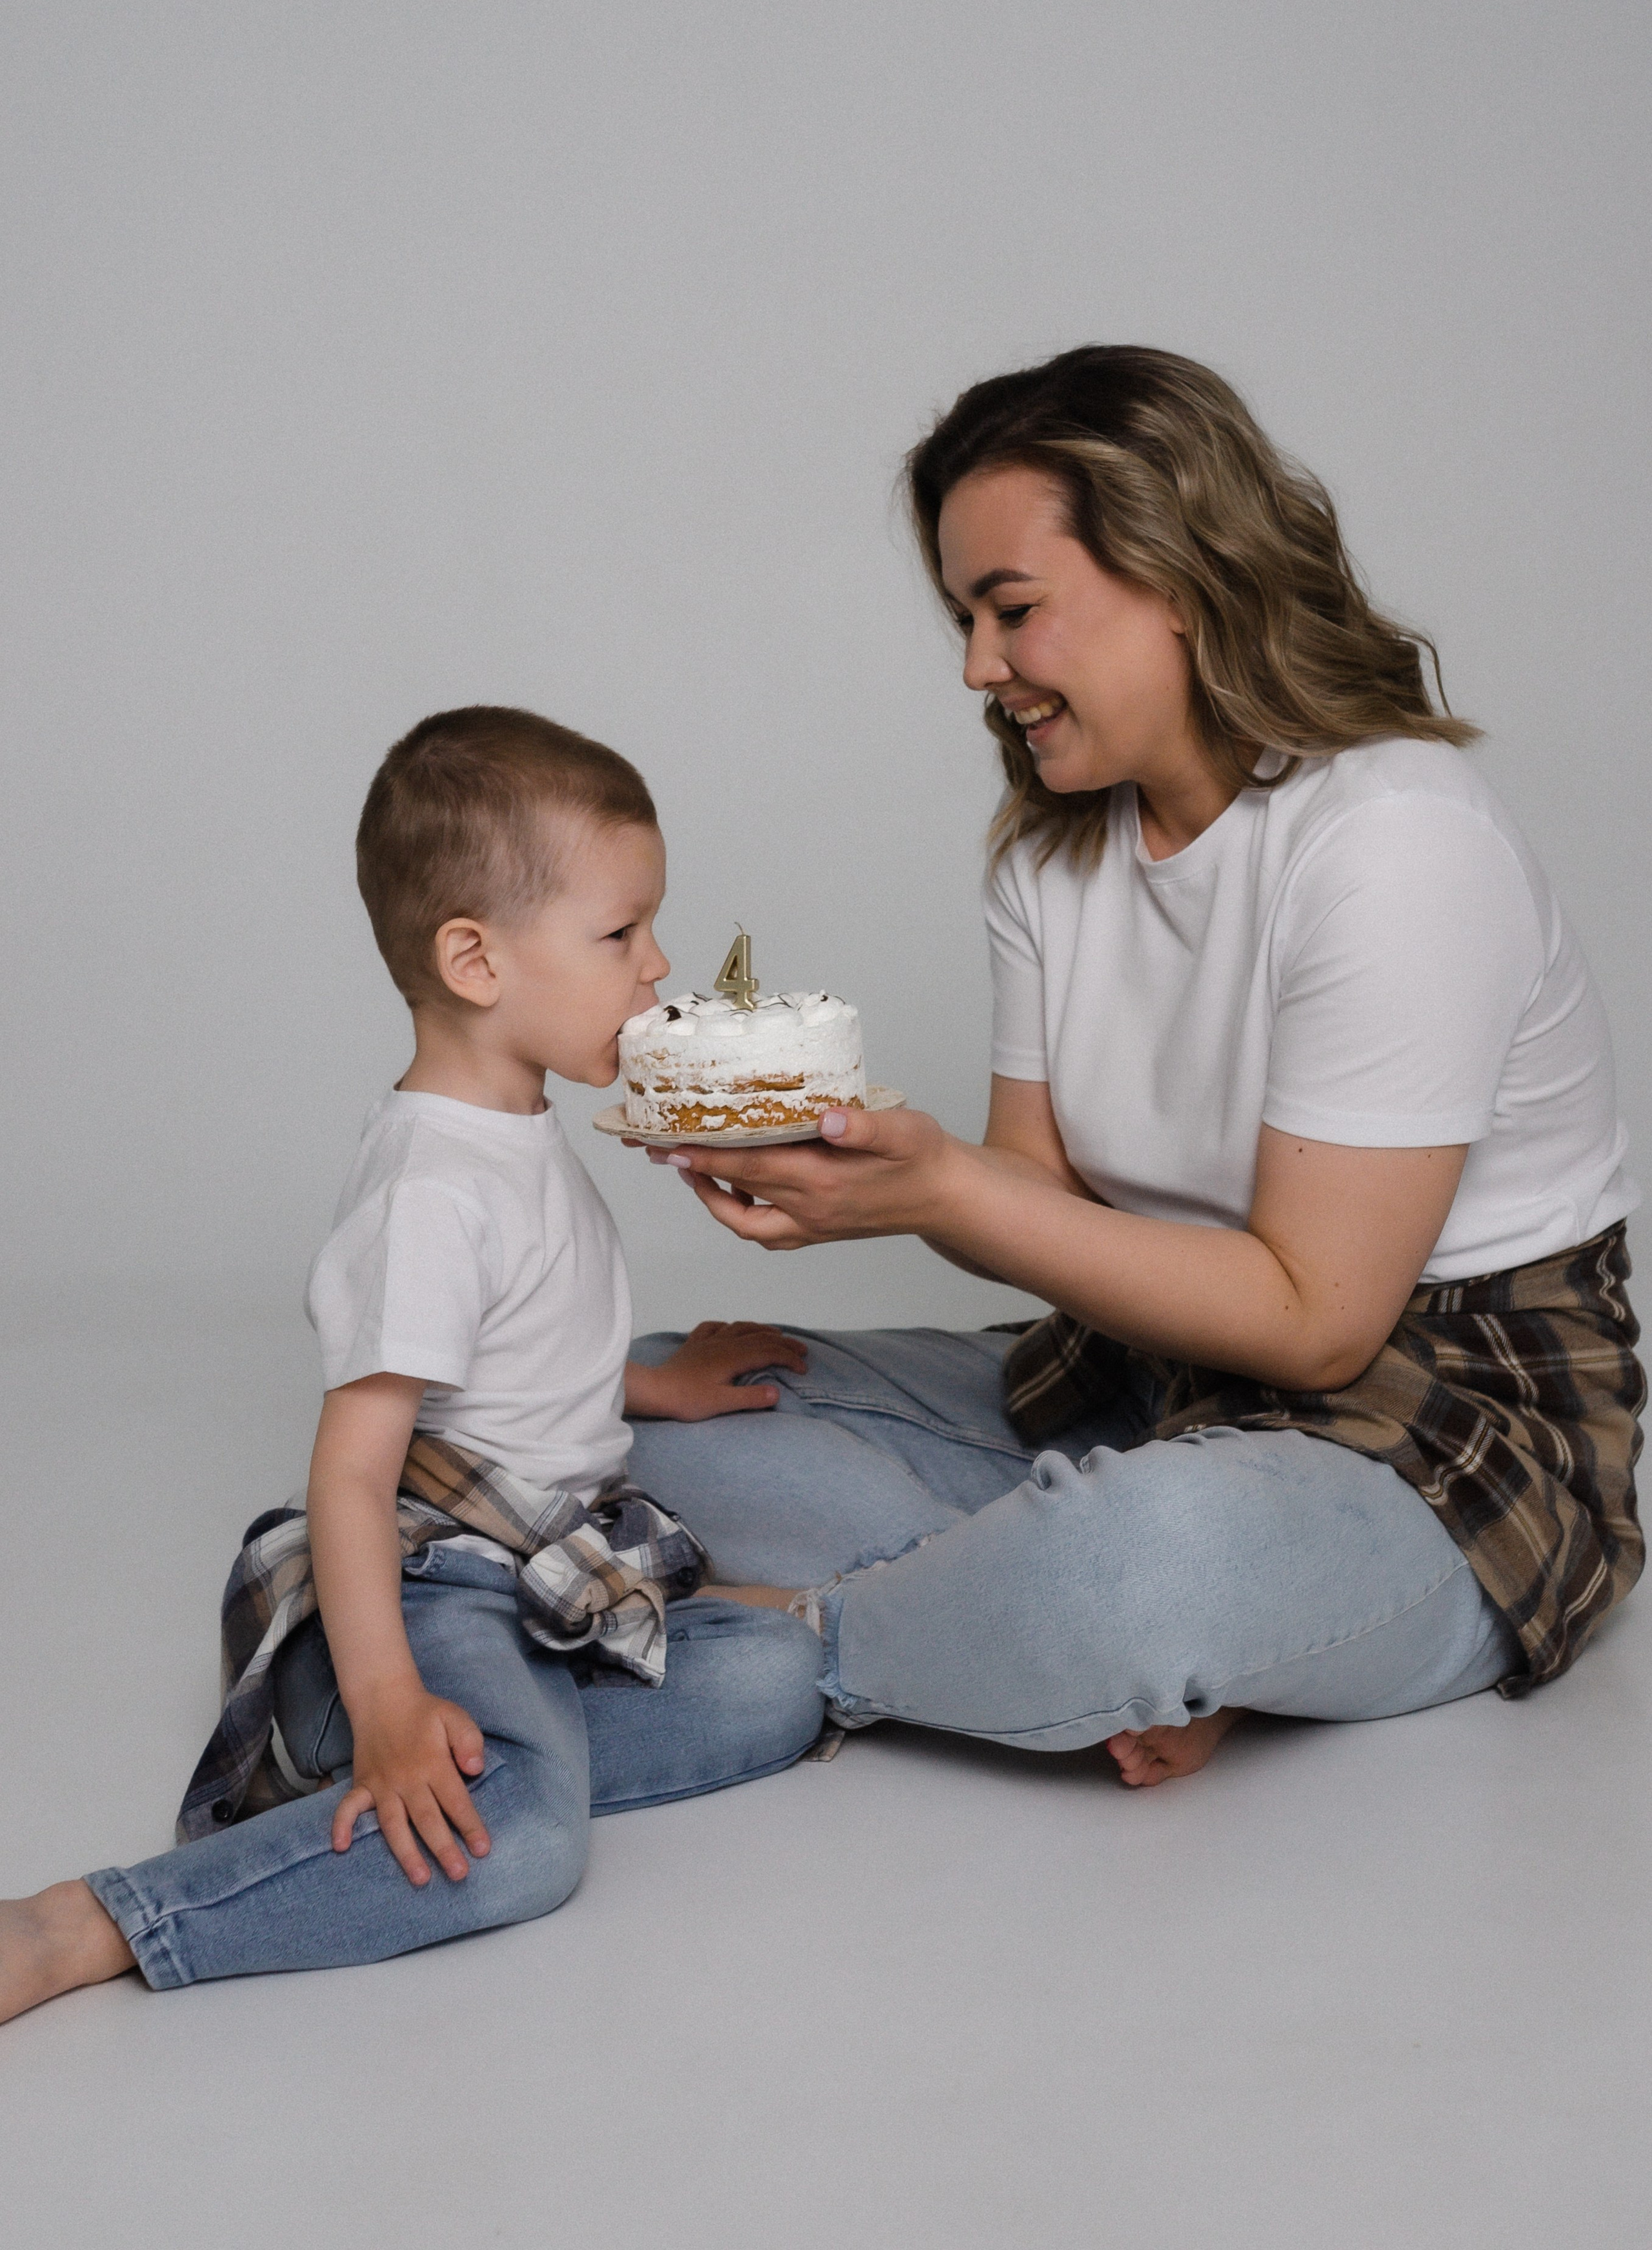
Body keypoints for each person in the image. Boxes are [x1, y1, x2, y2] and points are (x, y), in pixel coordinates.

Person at [624, 345, 1645, 1789]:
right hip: (1149, 1378)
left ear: (1178, 572)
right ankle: (1068, 1633)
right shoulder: (1056, 846)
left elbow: (1315, 1329)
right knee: (663, 1399)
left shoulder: (1395, 839)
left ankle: (800, 1637)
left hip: (1439, 1424)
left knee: (1137, 1562)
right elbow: (1031, 1197)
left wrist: (943, 1195)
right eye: (963, 619)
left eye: (1010, 610)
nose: (978, 667)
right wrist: (877, 1176)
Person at [0, 705, 822, 2023]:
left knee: (782, 1683)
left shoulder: (516, 1126)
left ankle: (472, 1746)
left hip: (540, 1553)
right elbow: (352, 1477)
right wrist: (391, 1693)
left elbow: (507, 1352)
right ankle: (95, 1919)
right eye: (619, 935)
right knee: (534, 1843)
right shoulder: (430, 1188)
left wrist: (642, 1385)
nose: (656, 964)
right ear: (475, 959)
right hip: (432, 1578)